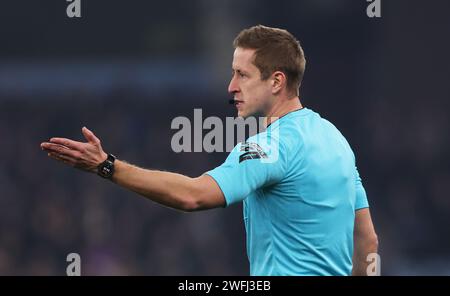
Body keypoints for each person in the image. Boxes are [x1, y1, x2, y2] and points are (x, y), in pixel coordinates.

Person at [40, 25, 378, 276]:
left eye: (242, 75)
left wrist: (106, 166)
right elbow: (367, 241)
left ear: (276, 82)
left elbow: (195, 196)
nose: (231, 87)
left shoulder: (271, 145)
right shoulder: (335, 139)